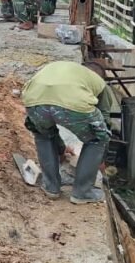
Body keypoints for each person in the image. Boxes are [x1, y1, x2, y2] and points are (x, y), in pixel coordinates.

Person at [21, 60, 114, 204]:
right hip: (73, 105)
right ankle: (82, 192)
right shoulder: (100, 83)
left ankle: (51, 187)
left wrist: (61, 149)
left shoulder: (65, 69)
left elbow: (49, 125)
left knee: (43, 135)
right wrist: (100, 159)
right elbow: (104, 124)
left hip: (34, 101)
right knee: (97, 139)